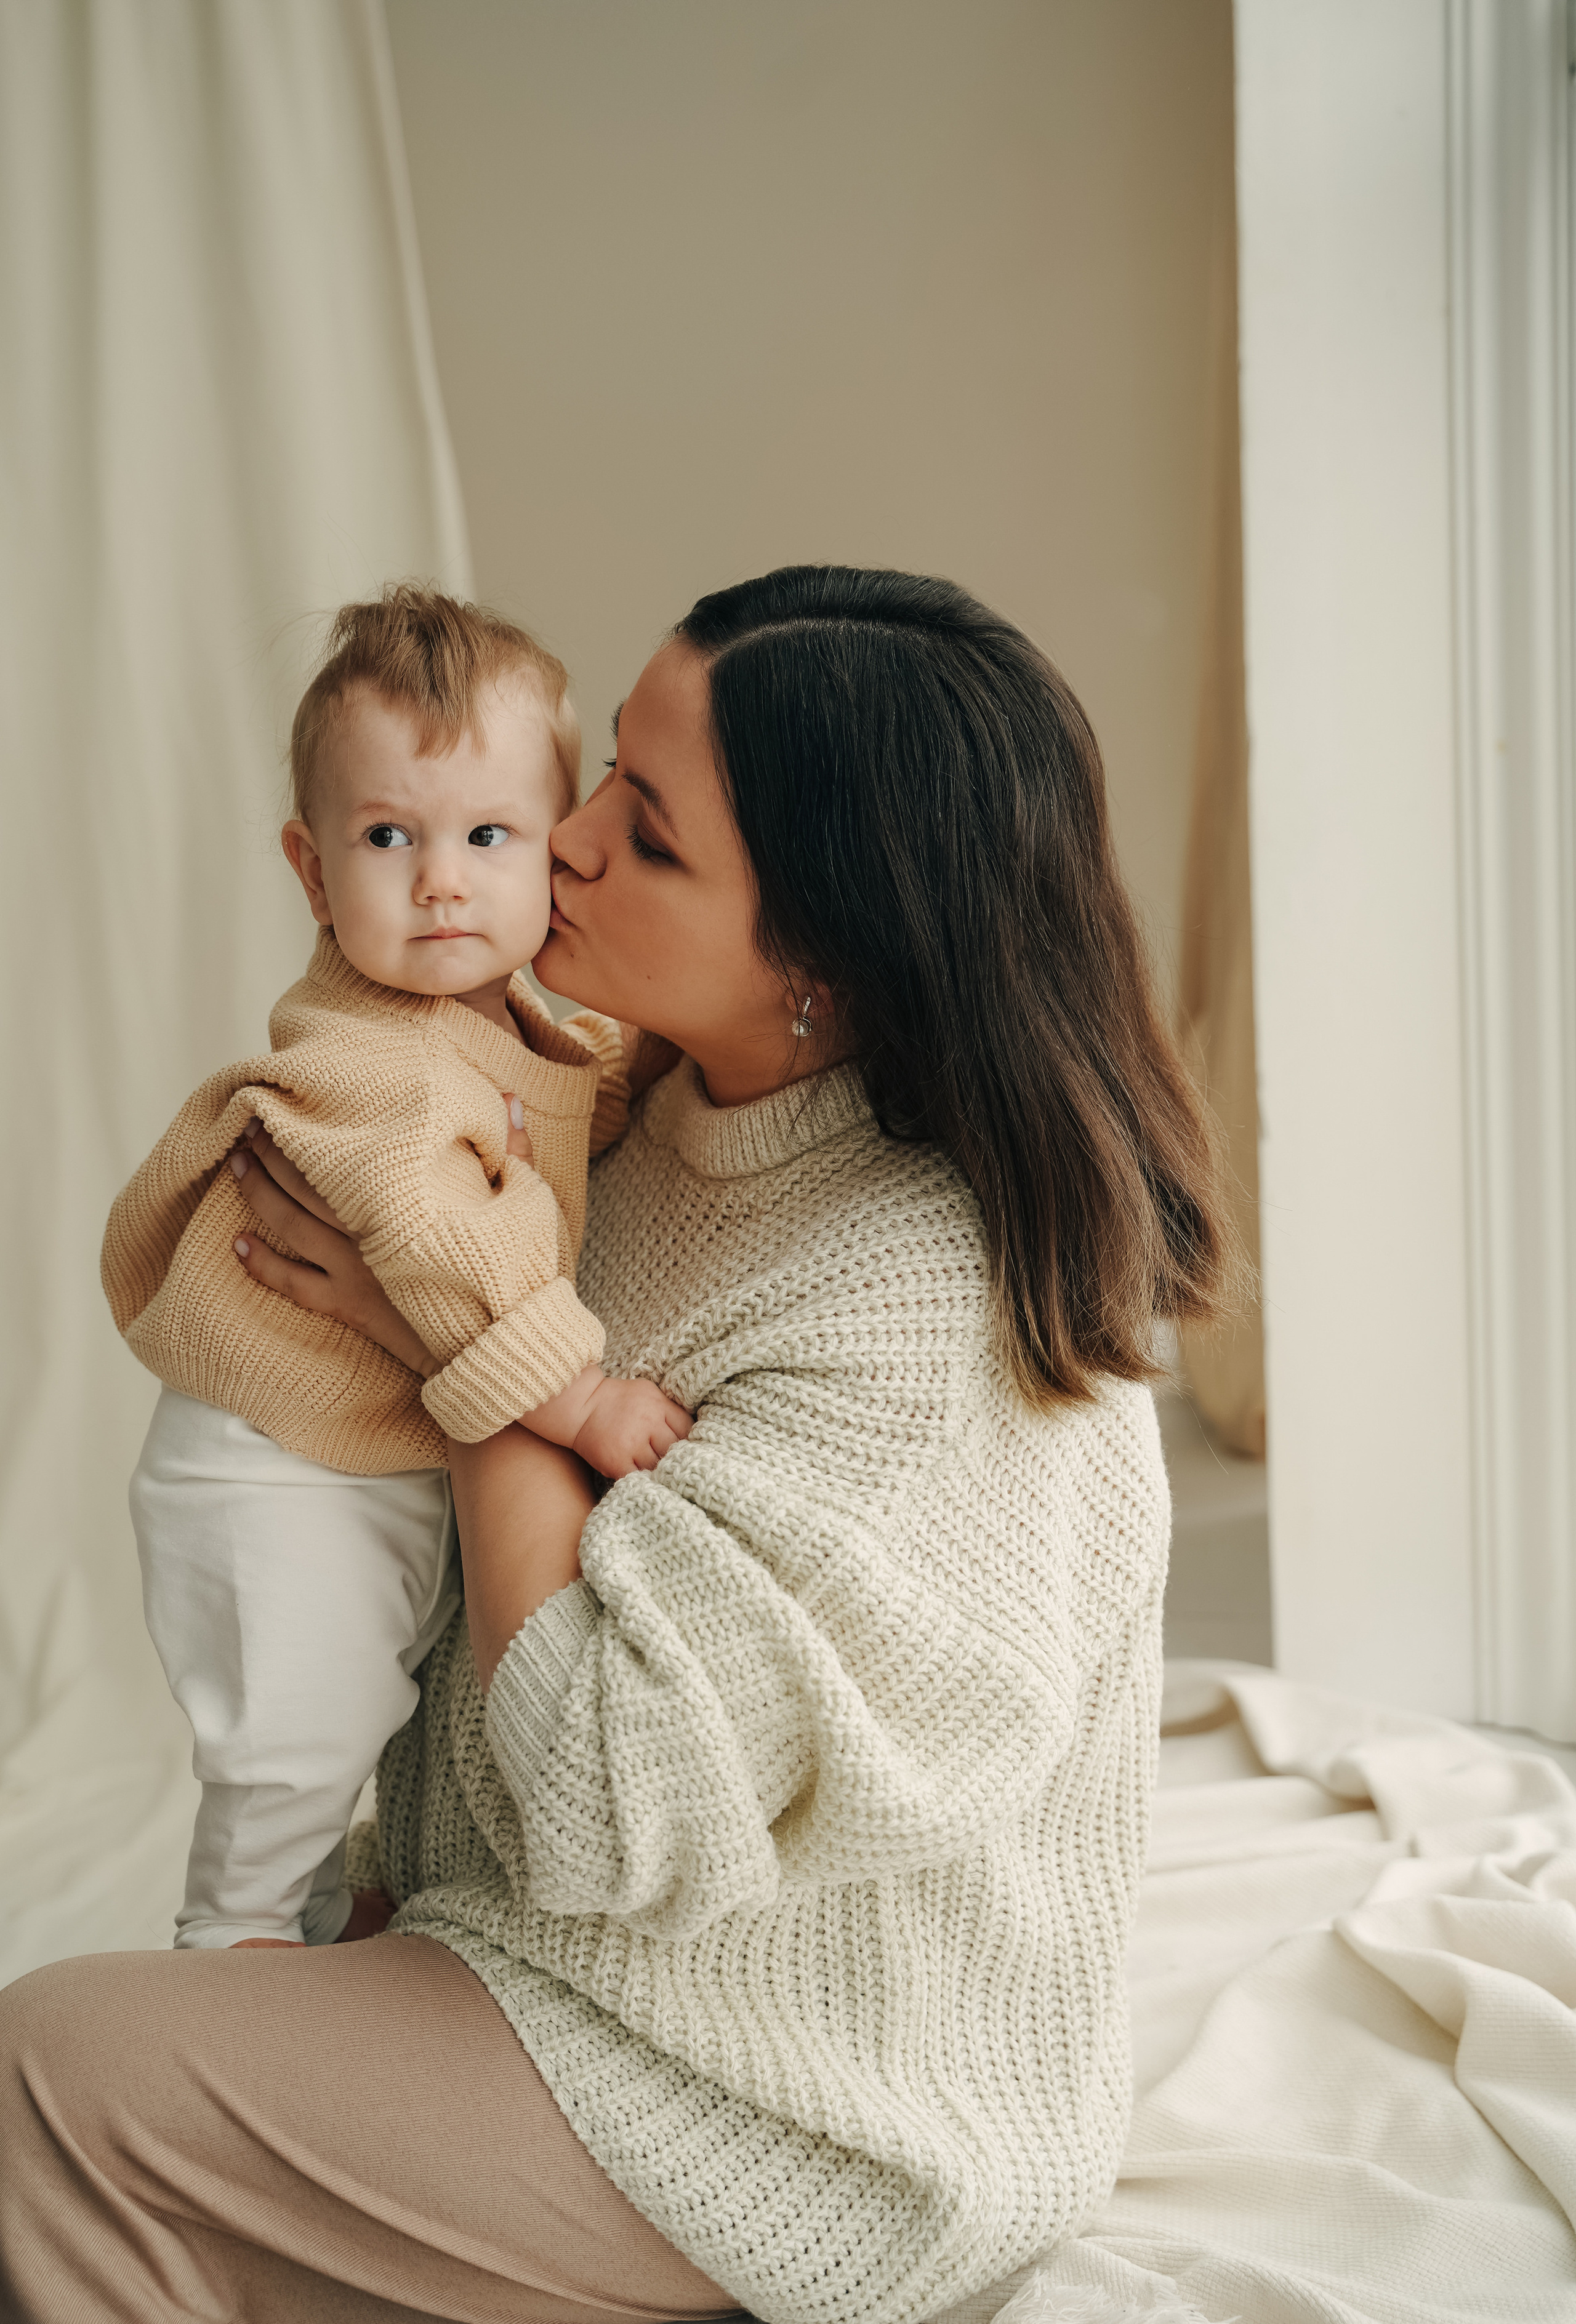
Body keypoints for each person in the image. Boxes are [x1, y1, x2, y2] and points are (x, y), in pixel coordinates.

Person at [0, 566, 1237, 2324]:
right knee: (184, 1997)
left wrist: (456, 1337)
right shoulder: (652, 1106)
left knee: (47, 2069)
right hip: (548, 1950)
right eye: (600, 780)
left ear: (823, 957)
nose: (554, 845)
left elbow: (598, 1790)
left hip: (784, 2109)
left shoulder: (926, 1329)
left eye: (642, 834)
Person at [100, 585, 690, 1950]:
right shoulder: (382, 1062)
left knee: (340, 1738)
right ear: (312, 872)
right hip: (271, 1468)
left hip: (338, 1457)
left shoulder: (492, 1021)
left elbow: (553, 1110)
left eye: (489, 835)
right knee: (294, 1752)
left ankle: (290, 1942)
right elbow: (448, 1239)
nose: (441, 879)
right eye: (389, 837)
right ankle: (228, 1968)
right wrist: (586, 1405)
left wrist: (637, 1070)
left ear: (557, 850)